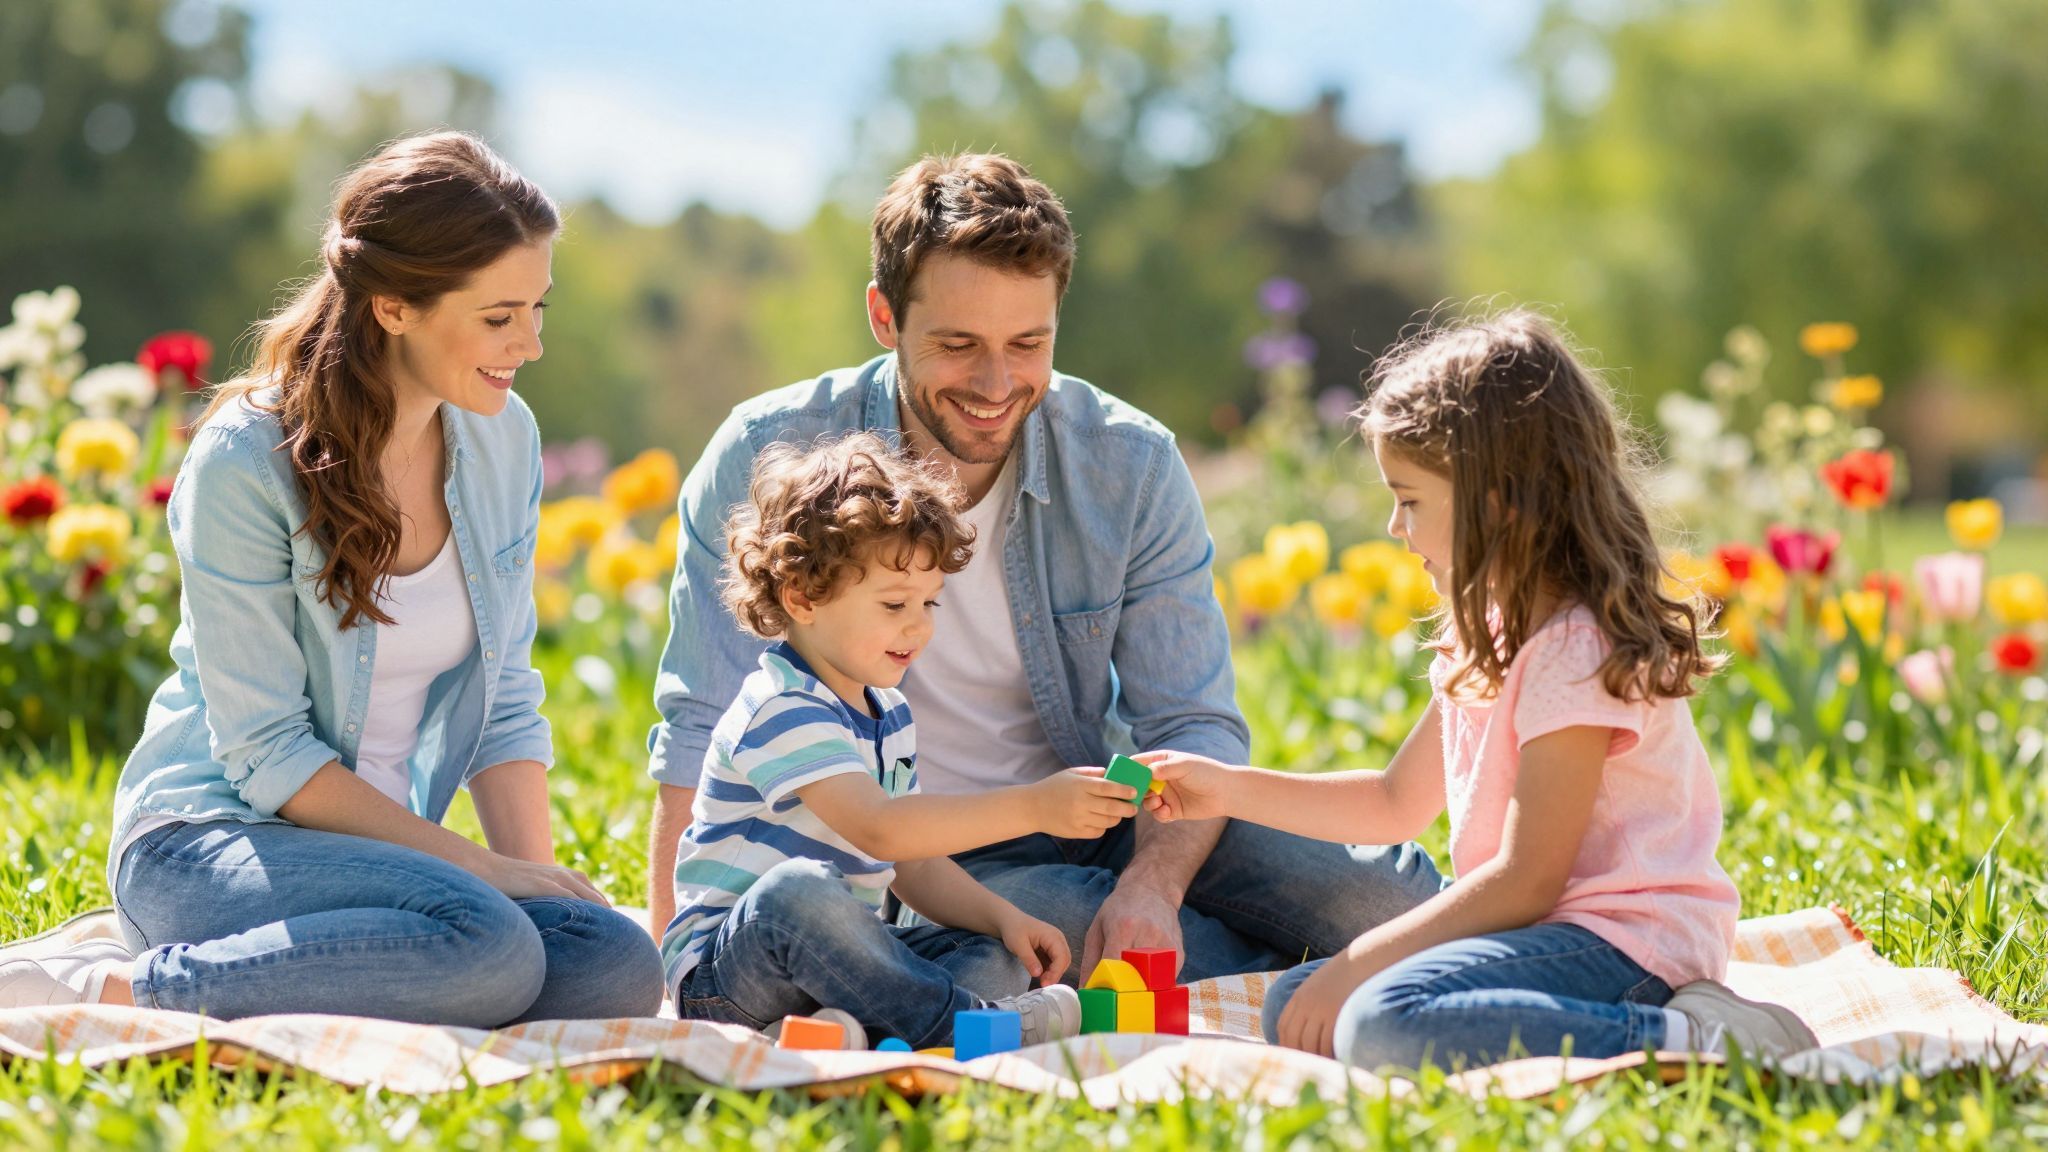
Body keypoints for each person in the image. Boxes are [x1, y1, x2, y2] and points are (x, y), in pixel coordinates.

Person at [645, 152, 1445, 987]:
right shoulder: (764, 454)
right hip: (940, 861)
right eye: (958, 345)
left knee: (1384, 900)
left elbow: (1190, 724)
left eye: (1028, 344)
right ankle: (1309, 971)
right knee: (1053, 938)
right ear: (885, 317)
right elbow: (698, 729)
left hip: (1110, 810)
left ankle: (1328, 954)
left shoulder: (1128, 463)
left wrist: (1151, 886)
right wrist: (683, 968)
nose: (996, 384)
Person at [0, 133, 663, 1024]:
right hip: (211, 843)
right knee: (490, 947)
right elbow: (270, 755)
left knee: (612, 962)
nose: (531, 344)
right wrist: (486, 879)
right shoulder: (246, 460)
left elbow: (504, 694)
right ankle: (103, 990)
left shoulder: (503, 440)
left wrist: (535, 889)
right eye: (500, 317)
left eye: (539, 308)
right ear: (394, 307)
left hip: (383, 862)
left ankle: (420, 959)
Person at [1139, 310, 1819, 1069]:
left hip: (1631, 944)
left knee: (1380, 1023)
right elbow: (1394, 803)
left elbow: (1528, 880)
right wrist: (1224, 789)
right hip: (1541, 937)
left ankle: (1699, 1039)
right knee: (1295, 1006)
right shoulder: (1491, 636)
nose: (1396, 527)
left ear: (1496, 503)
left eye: (1410, 499)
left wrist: (1363, 958)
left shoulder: (1573, 651)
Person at [665, 433, 1147, 1048]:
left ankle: (849, 1032)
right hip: (729, 977)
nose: (918, 625)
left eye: (929, 603)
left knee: (992, 954)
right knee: (800, 891)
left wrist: (1004, 919)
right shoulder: (780, 705)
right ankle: (969, 1024)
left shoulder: (887, 711)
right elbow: (881, 829)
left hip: (841, 969)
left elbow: (910, 863)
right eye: (894, 603)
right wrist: (1035, 805)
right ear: (801, 598)